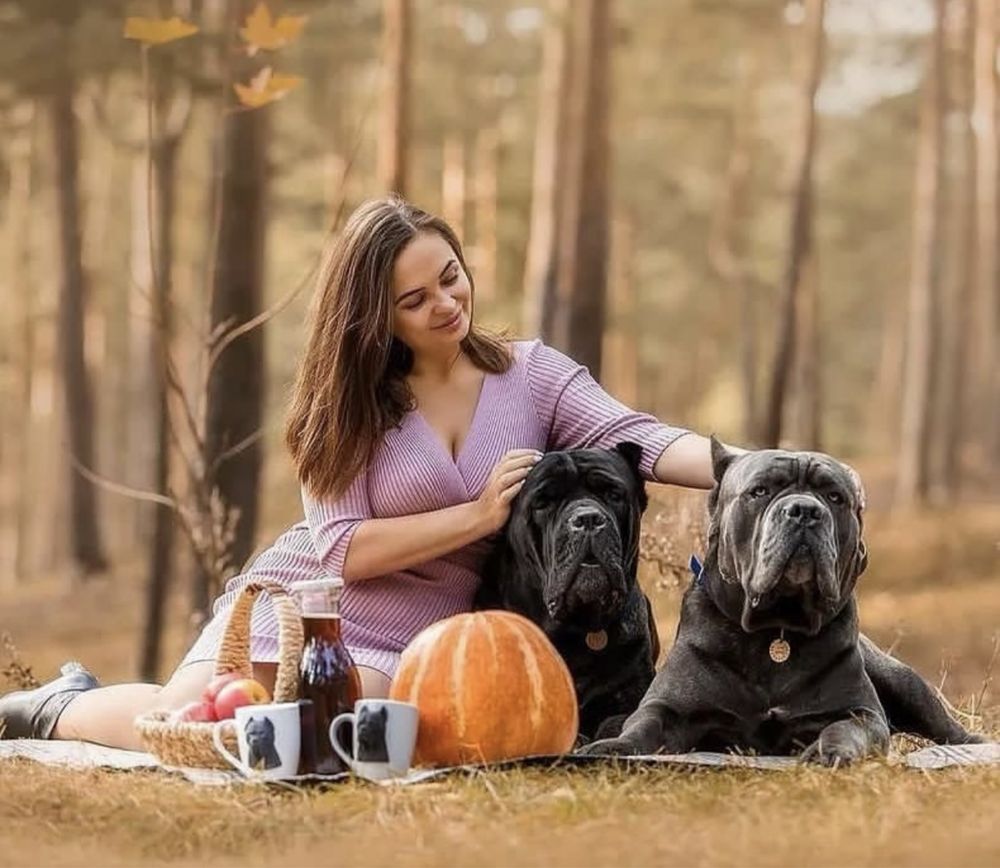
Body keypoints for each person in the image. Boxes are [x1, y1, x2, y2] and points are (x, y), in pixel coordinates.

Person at [0, 195, 724, 751]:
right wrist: (476, 516)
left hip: (419, 636)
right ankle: (57, 706)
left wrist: (744, 465)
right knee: (186, 727)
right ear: (375, 317)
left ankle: (71, 701)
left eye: (451, 278)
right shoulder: (342, 404)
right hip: (307, 605)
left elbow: (639, 437)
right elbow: (341, 548)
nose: (446, 304)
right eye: (415, 300)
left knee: (312, 744)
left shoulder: (531, 377)